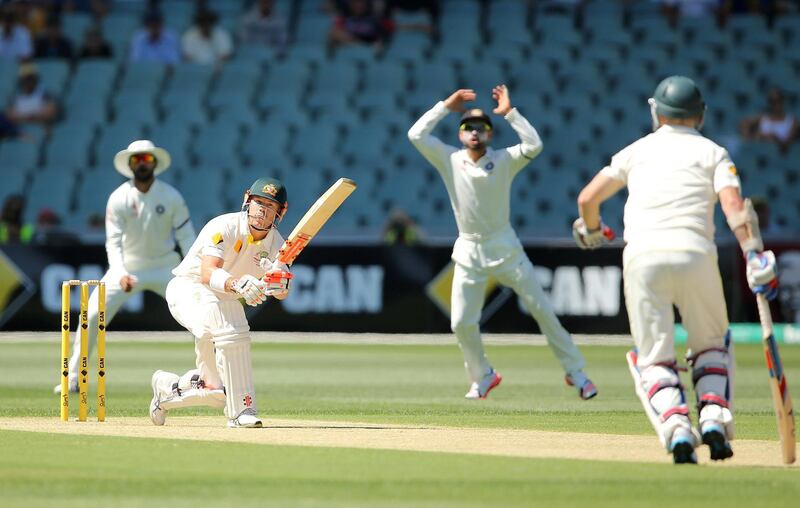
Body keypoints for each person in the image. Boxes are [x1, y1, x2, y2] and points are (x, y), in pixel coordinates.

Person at [573, 75, 779, 464]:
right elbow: (735, 207)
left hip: (643, 258)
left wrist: (593, 229)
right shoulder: (714, 152)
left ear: (657, 112)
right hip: (695, 254)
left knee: (654, 358)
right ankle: (715, 418)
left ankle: (675, 426)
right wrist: (754, 254)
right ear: (700, 114)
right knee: (711, 347)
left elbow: (587, 198)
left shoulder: (635, 151)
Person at [407, 85, 598, 401]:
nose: (474, 132)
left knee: (543, 310)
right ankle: (483, 376)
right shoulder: (450, 160)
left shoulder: (505, 159)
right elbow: (416, 135)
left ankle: (576, 372)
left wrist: (510, 112)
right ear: (460, 134)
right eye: (468, 127)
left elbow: (534, 145)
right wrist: (445, 106)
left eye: (481, 127)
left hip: (506, 249)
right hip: (469, 251)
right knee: (461, 323)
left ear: (490, 135)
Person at [53, 140, 196, 394]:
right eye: (137, 160)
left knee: (201, 313)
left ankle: (213, 376)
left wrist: (192, 270)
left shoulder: (171, 196)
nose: (142, 164)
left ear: (155, 163)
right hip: (128, 267)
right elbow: (113, 242)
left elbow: (186, 237)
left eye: (147, 160)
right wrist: (120, 272)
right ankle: (72, 378)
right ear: (130, 165)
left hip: (167, 267)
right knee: (92, 314)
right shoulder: (118, 198)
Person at [149, 177, 293, 428]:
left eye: (270, 206)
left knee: (215, 391)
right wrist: (239, 285)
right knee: (231, 319)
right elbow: (207, 273)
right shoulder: (224, 226)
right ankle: (242, 411)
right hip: (189, 289)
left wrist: (277, 285)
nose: (262, 210)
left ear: (281, 211)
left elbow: (282, 292)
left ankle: (168, 390)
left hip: (220, 304)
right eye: (258, 202)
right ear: (247, 200)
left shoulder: (278, 245)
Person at [739, 88, 798, 153]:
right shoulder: (763, 117)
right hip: (760, 152)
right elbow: (744, 123)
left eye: (778, 100)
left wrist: (774, 138)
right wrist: (751, 137)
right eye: (772, 101)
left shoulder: (791, 121)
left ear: (782, 101)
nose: (775, 104)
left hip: (777, 155)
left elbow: (787, 145)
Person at [328, 0, 394, 51]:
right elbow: (335, 32)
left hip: (369, 44)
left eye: (361, 3)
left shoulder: (375, 17)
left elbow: (387, 29)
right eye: (356, 3)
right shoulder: (345, 15)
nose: (359, 6)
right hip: (349, 43)